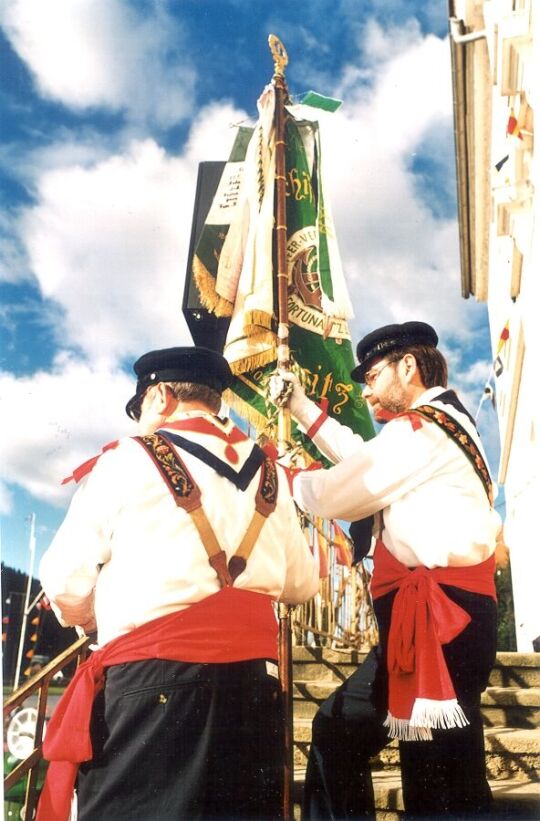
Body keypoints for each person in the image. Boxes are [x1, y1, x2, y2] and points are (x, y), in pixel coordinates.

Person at [38, 345, 319, 821]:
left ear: (162, 396)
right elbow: (302, 585)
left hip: (152, 685)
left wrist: (87, 619)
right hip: (251, 685)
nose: (139, 421)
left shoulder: (129, 457)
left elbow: (65, 577)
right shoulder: (272, 473)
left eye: (141, 406)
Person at [274, 321, 501, 819]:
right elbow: (366, 458)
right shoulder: (445, 426)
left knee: (436, 778)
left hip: (437, 621)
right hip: (443, 619)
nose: (367, 389)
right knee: (434, 764)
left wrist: (286, 475)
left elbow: (343, 489)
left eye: (373, 375)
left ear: (408, 367)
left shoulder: (420, 431)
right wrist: (301, 409)